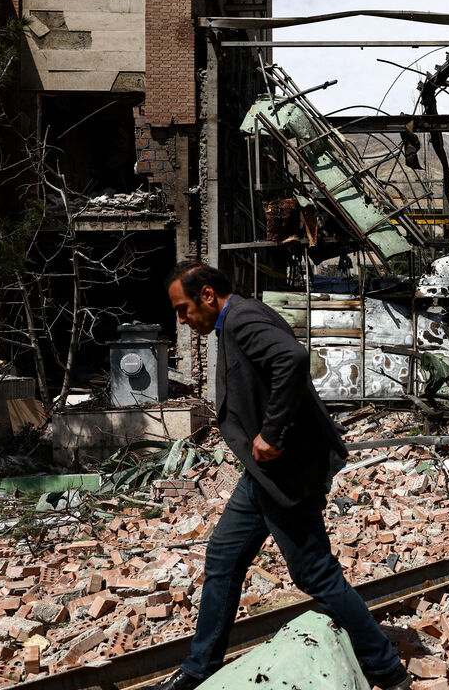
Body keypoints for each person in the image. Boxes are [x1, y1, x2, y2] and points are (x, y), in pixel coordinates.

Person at [152, 261, 409, 690]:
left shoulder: (244, 317)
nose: (181, 319)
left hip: (285, 471)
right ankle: (200, 668)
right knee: (222, 558)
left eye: (183, 308)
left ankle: (387, 669)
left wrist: (271, 433)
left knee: (314, 573)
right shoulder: (234, 320)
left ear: (208, 296)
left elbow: (291, 358)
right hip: (262, 475)